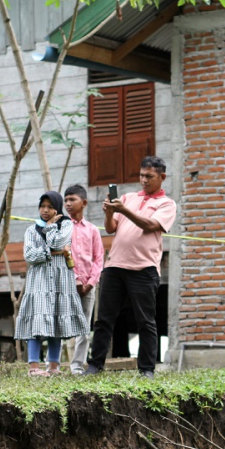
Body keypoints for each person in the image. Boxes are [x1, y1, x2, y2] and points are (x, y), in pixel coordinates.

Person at [84, 156, 176, 378]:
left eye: (149, 176)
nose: (144, 180)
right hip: (115, 266)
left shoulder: (166, 204)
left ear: (161, 177)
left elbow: (150, 225)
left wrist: (123, 210)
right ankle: (95, 365)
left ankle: (147, 369)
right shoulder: (128, 198)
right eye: (142, 175)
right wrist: (109, 212)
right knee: (104, 319)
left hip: (144, 269)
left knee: (145, 321)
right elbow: (110, 228)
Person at [14, 191, 89, 376]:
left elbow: (58, 242)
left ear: (57, 208)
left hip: (60, 279)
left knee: (57, 320)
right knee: (37, 319)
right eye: (42, 206)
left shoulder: (66, 225)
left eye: (50, 207)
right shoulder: (31, 230)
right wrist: (52, 253)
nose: (45, 210)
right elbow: (30, 255)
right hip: (38, 279)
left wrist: (50, 228)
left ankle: (53, 367)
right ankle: (34, 367)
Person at [64, 184, 104, 375]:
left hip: (89, 286)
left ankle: (77, 365)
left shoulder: (93, 230)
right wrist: (75, 279)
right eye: (66, 200)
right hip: (67, 284)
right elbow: (61, 255)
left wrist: (90, 282)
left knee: (84, 326)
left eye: (72, 200)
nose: (68, 204)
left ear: (84, 203)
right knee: (61, 322)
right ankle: (52, 364)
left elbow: (99, 258)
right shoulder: (62, 227)